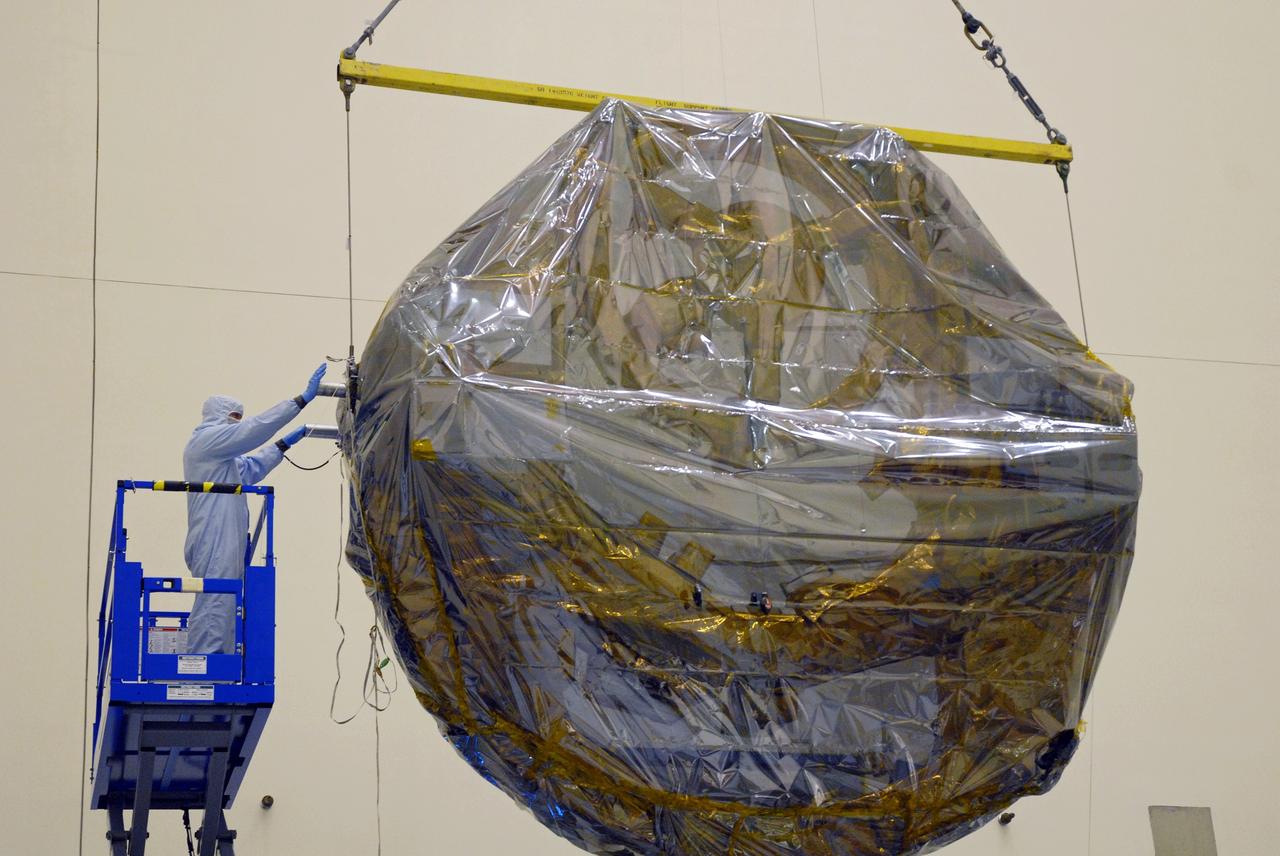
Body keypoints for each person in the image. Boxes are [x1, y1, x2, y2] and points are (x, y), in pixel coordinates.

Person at [182, 364, 328, 654]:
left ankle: (218, 661)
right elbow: (252, 431)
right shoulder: (204, 442)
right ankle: (203, 664)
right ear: (216, 416)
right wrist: (299, 402)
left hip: (225, 538)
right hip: (213, 536)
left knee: (225, 602)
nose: (237, 424)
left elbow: (249, 469)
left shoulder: (222, 459)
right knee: (215, 601)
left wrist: (283, 445)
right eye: (233, 418)